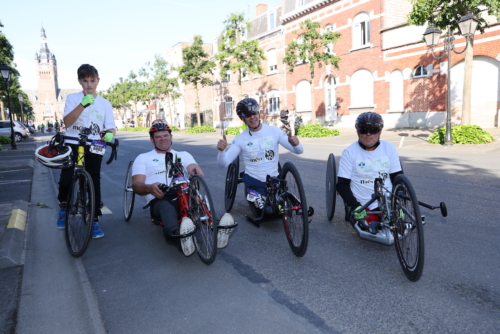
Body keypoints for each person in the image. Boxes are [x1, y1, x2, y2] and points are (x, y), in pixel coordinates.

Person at [132, 120, 234, 256]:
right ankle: (181, 238)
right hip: (160, 197)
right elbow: (136, 185)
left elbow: (192, 167)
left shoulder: (183, 154)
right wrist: (150, 188)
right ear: (152, 140)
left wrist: (196, 170)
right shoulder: (143, 158)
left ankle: (218, 228)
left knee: (197, 199)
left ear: (171, 137)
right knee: (165, 206)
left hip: (184, 194)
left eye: (165, 135)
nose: (163, 139)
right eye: (158, 137)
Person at [56, 64, 116, 237]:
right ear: (80, 81)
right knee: (67, 176)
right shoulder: (73, 98)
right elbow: (67, 122)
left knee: (94, 180)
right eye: (85, 81)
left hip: (94, 144)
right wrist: (82, 104)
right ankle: (64, 207)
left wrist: (110, 134)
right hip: (73, 141)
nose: (89, 84)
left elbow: (111, 127)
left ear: (98, 81)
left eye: (92, 80)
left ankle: (94, 219)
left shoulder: (105, 103)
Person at [217, 98, 303, 212]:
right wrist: (221, 151)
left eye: (254, 113)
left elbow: (299, 151)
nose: (252, 117)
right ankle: (254, 196)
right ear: (242, 118)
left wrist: (296, 144)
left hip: (274, 180)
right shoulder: (240, 139)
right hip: (254, 181)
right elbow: (223, 164)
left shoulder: (274, 132)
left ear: (258, 113)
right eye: (248, 115)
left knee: (279, 208)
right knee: (267, 210)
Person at [336, 112, 403, 233]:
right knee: (371, 228)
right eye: (363, 129)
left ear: (380, 131)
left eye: (373, 130)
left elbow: (398, 178)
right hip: (363, 203)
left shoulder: (389, 148)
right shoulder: (349, 152)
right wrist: (355, 206)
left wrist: (399, 201)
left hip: (388, 200)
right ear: (357, 131)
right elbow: (342, 185)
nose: (368, 133)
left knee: (397, 224)